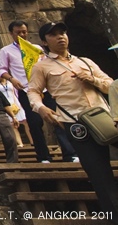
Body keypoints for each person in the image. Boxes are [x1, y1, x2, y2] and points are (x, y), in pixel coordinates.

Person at [28, 22, 118, 218]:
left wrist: (92, 79)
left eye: (63, 33)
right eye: (54, 35)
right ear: (44, 41)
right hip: (75, 121)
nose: (61, 37)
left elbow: (110, 84)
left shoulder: (85, 62)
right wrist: (41, 108)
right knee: (99, 172)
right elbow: (33, 91)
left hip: (103, 116)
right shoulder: (42, 67)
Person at [0, 20, 78, 163]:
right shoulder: (6, 51)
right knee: (34, 124)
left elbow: (47, 64)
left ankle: (69, 153)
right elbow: (2, 69)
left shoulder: (36, 48)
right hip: (26, 90)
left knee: (58, 119)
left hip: (45, 89)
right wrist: (12, 79)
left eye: (24, 31)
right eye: (18, 32)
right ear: (11, 34)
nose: (22, 34)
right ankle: (43, 156)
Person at [0, 70, 31, 147]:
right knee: (13, 125)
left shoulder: (10, 82)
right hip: (6, 105)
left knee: (25, 122)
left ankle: (32, 141)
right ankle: (20, 143)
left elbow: (15, 93)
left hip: (15, 103)